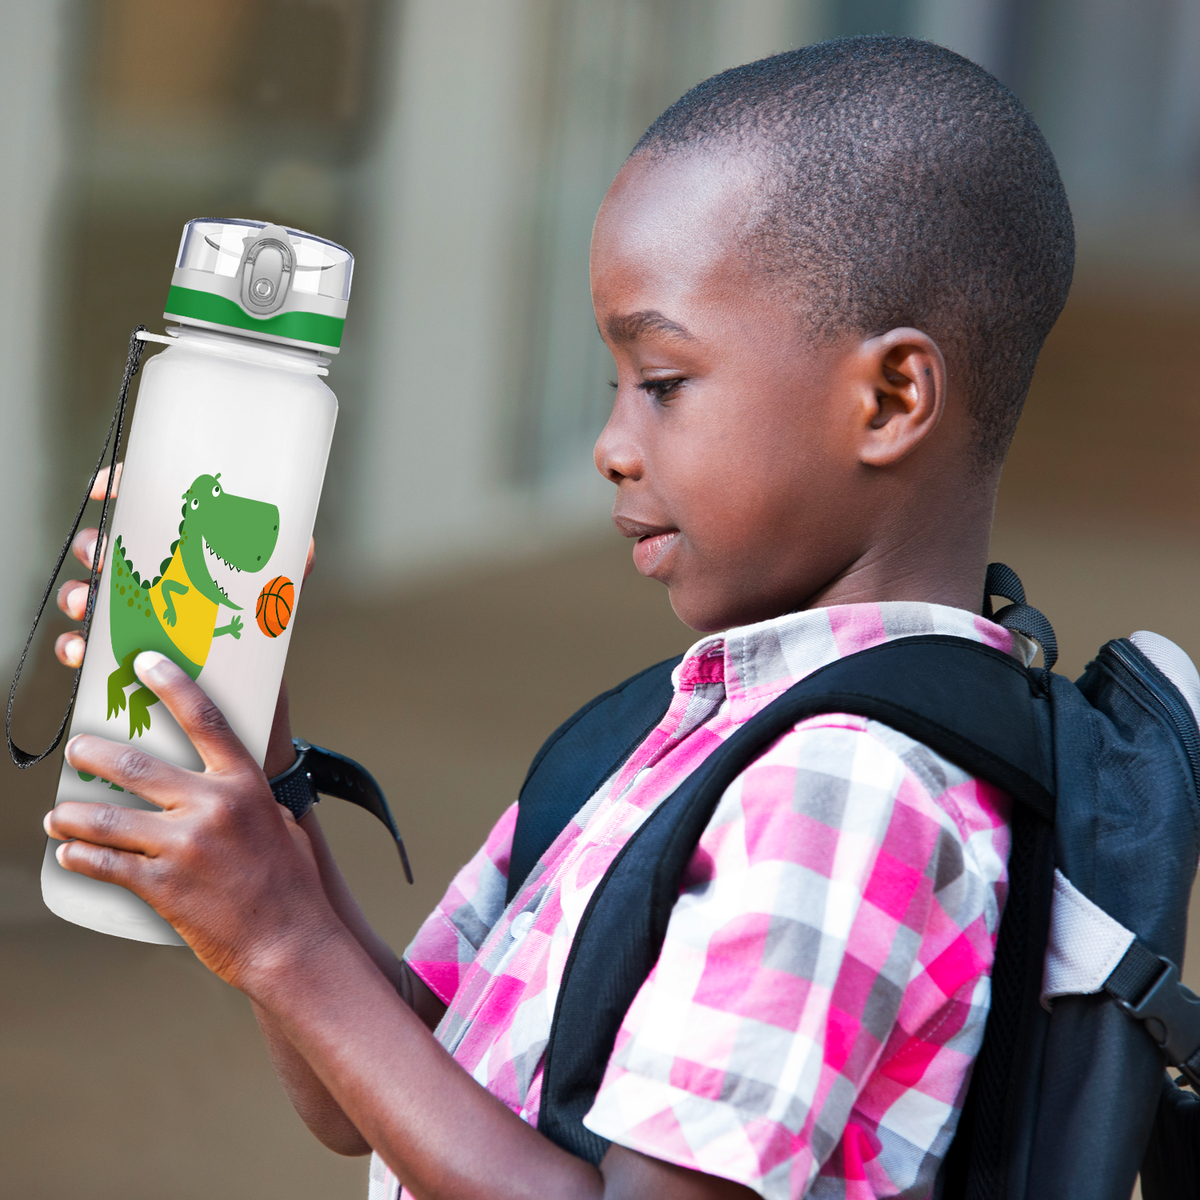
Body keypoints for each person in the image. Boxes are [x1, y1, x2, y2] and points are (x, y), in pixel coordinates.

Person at [46, 36, 1074, 1200]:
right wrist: (264, 764)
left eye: (665, 383)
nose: (611, 446)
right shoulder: (696, 722)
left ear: (889, 399)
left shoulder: (845, 790)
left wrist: (286, 940)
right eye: (611, 386)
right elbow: (372, 1093)